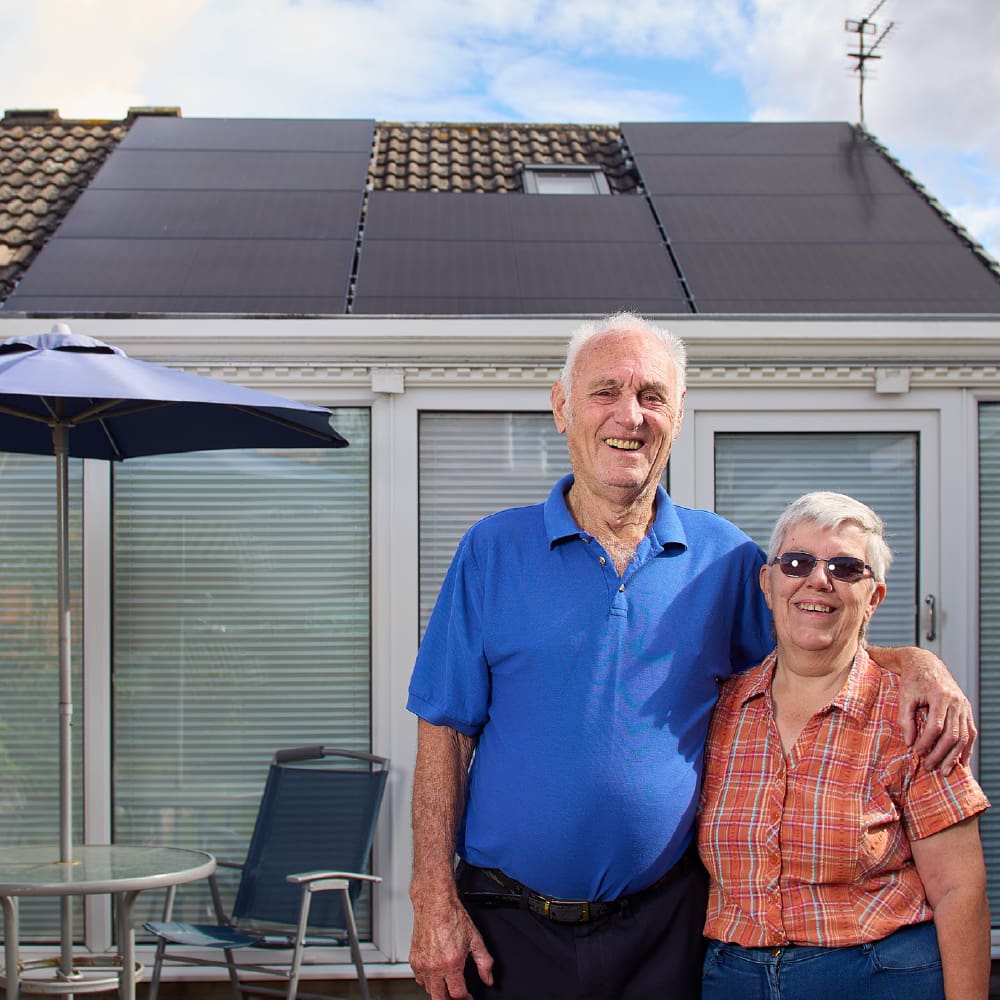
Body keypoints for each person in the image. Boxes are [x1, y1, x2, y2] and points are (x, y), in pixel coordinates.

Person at [406, 311, 977, 1000]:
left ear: (677, 416)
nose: (630, 415)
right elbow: (443, 728)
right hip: (507, 927)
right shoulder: (491, 553)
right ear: (562, 407)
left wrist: (917, 663)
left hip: (665, 928)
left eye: (652, 396)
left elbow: (818, 648)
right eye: (605, 391)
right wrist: (431, 896)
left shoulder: (726, 560)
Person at [699, 492, 990, 1000]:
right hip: (732, 979)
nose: (818, 580)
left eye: (846, 567)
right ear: (768, 584)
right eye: (797, 562)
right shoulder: (721, 709)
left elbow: (960, 891)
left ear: (873, 597)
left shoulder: (911, 718)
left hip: (877, 978)